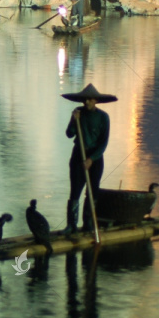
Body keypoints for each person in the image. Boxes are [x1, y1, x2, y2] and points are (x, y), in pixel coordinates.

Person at [61, 84, 117, 235]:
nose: (87, 103)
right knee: (75, 190)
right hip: (78, 155)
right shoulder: (78, 113)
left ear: (96, 101)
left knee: (92, 191)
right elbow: (69, 134)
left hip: (95, 157)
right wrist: (74, 120)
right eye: (85, 100)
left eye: (90, 100)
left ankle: (88, 223)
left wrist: (92, 159)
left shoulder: (103, 117)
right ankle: (71, 225)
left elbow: (103, 142)